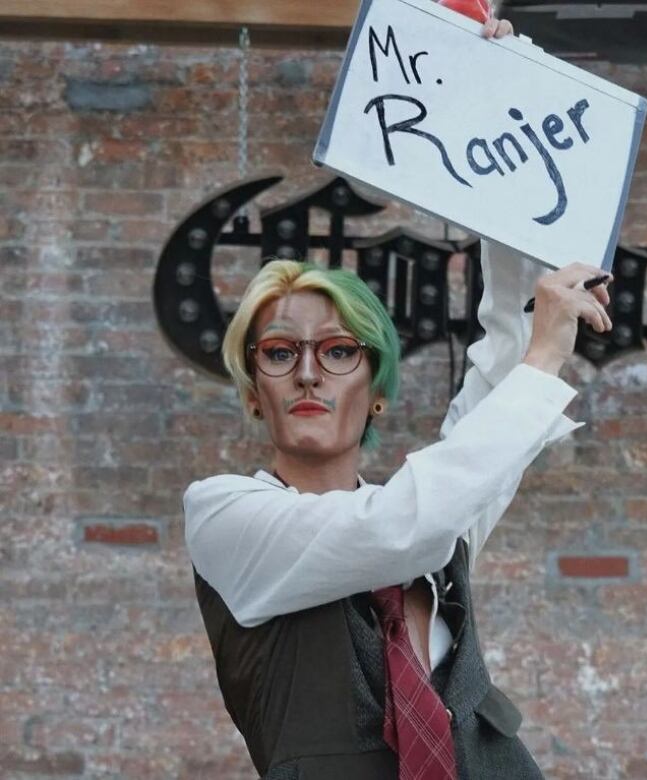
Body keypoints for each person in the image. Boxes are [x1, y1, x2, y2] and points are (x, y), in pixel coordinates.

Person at [183, 13, 613, 780]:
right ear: (254, 393)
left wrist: (505, 95)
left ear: (376, 392)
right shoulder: (225, 516)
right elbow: (395, 529)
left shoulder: (436, 514)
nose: (309, 373)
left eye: (339, 351)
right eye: (280, 354)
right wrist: (548, 354)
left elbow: (494, 384)